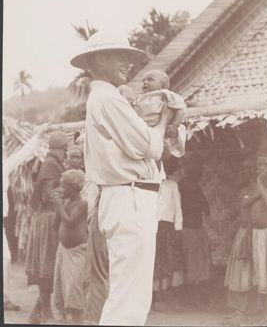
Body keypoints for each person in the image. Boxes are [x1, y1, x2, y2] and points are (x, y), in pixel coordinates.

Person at [70, 31, 172, 326]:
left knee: (129, 293)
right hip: (129, 197)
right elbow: (153, 147)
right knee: (129, 297)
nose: (128, 65)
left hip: (128, 196)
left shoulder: (106, 99)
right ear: (100, 59)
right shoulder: (107, 99)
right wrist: (164, 120)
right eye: (121, 58)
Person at [3, 123, 49, 312]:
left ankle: (4, 298)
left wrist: (38, 135)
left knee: (5, 258)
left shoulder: (4, 166)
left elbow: (23, 154)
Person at [25, 131, 68, 324]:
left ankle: (36, 312)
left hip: (49, 217)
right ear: (57, 149)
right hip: (48, 219)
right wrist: (69, 189)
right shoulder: (51, 164)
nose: (65, 153)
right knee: (47, 266)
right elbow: (46, 195)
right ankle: (46, 311)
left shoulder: (52, 163)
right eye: (64, 150)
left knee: (48, 266)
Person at [119, 70, 187, 157]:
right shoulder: (140, 97)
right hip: (143, 128)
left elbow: (180, 109)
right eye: (143, 80)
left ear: (162, 86)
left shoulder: (166, 94)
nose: (145, 82)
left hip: (158, 128)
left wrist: (175, 125)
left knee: (160, 151)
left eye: (150, 80)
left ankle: (158, 164)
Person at [224, 156, 258, 325]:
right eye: (245, 169)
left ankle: (245, 311)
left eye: (251, 168)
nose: (247, 172)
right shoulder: (243, 188)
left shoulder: (257, 189)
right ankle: (238, 310)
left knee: (245, 273)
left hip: (250, 233)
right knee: (236, 273)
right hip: (241, 231)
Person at [53, 169, 88, 324]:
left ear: (74, 188)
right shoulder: (66, 202)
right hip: (64, 250)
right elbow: (55, 225)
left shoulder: (82, 203)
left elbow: (70, 222)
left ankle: (78, 321)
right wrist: (58, 206)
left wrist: (60, 205)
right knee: (62, 287)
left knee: (74, 288)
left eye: (64, 186)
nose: (61, 189)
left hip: (77, 251)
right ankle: (69, 319)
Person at [179, 154, 212, 309]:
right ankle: (192, 300)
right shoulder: (183, 186)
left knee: (196, 264)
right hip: (188, 228)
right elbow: (204, 208)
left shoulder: (192, 187)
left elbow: (206, 208)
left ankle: (195, 299)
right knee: (192, 264)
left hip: (195, 228)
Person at [152, 173, 184, 313]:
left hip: (168, 228)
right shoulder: (151, 184)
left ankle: (166, 299)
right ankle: (154, 301)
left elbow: (178, 207)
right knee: (154, 263)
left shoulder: (172, 185)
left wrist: (178, 228)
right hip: (152, 227)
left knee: (168, 263)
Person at [250, 151, 267, 325]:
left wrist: (259, 182)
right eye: (259, 164)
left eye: (265, 164)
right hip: (258, 233)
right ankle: (264, 313)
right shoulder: (259, 184)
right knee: (262, 274)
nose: (262, 168)